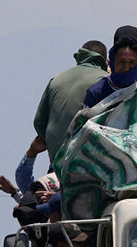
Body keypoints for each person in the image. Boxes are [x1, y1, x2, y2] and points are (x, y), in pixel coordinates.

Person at [32, 40, 108, 168]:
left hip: (56, 162)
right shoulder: (107, 81)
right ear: (104, 61)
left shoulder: (57, 80)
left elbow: (39, 122)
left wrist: (54, 144)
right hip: (90, 166)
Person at [82, 27, 137, 108]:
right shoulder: (97, 92)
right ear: (112, 61)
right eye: (121, 62)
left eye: (131, 62)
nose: (126, 68)